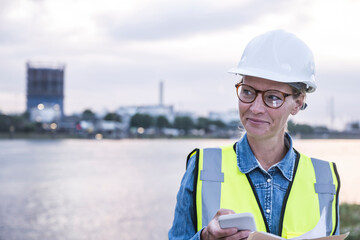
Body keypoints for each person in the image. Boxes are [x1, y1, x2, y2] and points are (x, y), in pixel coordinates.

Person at [168, 29, 340, 240]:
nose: (256, 108)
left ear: (298, 103)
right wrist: (204, 238)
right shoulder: (203, 167)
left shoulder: (325, 179)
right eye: (248, 91)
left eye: (273, 97)